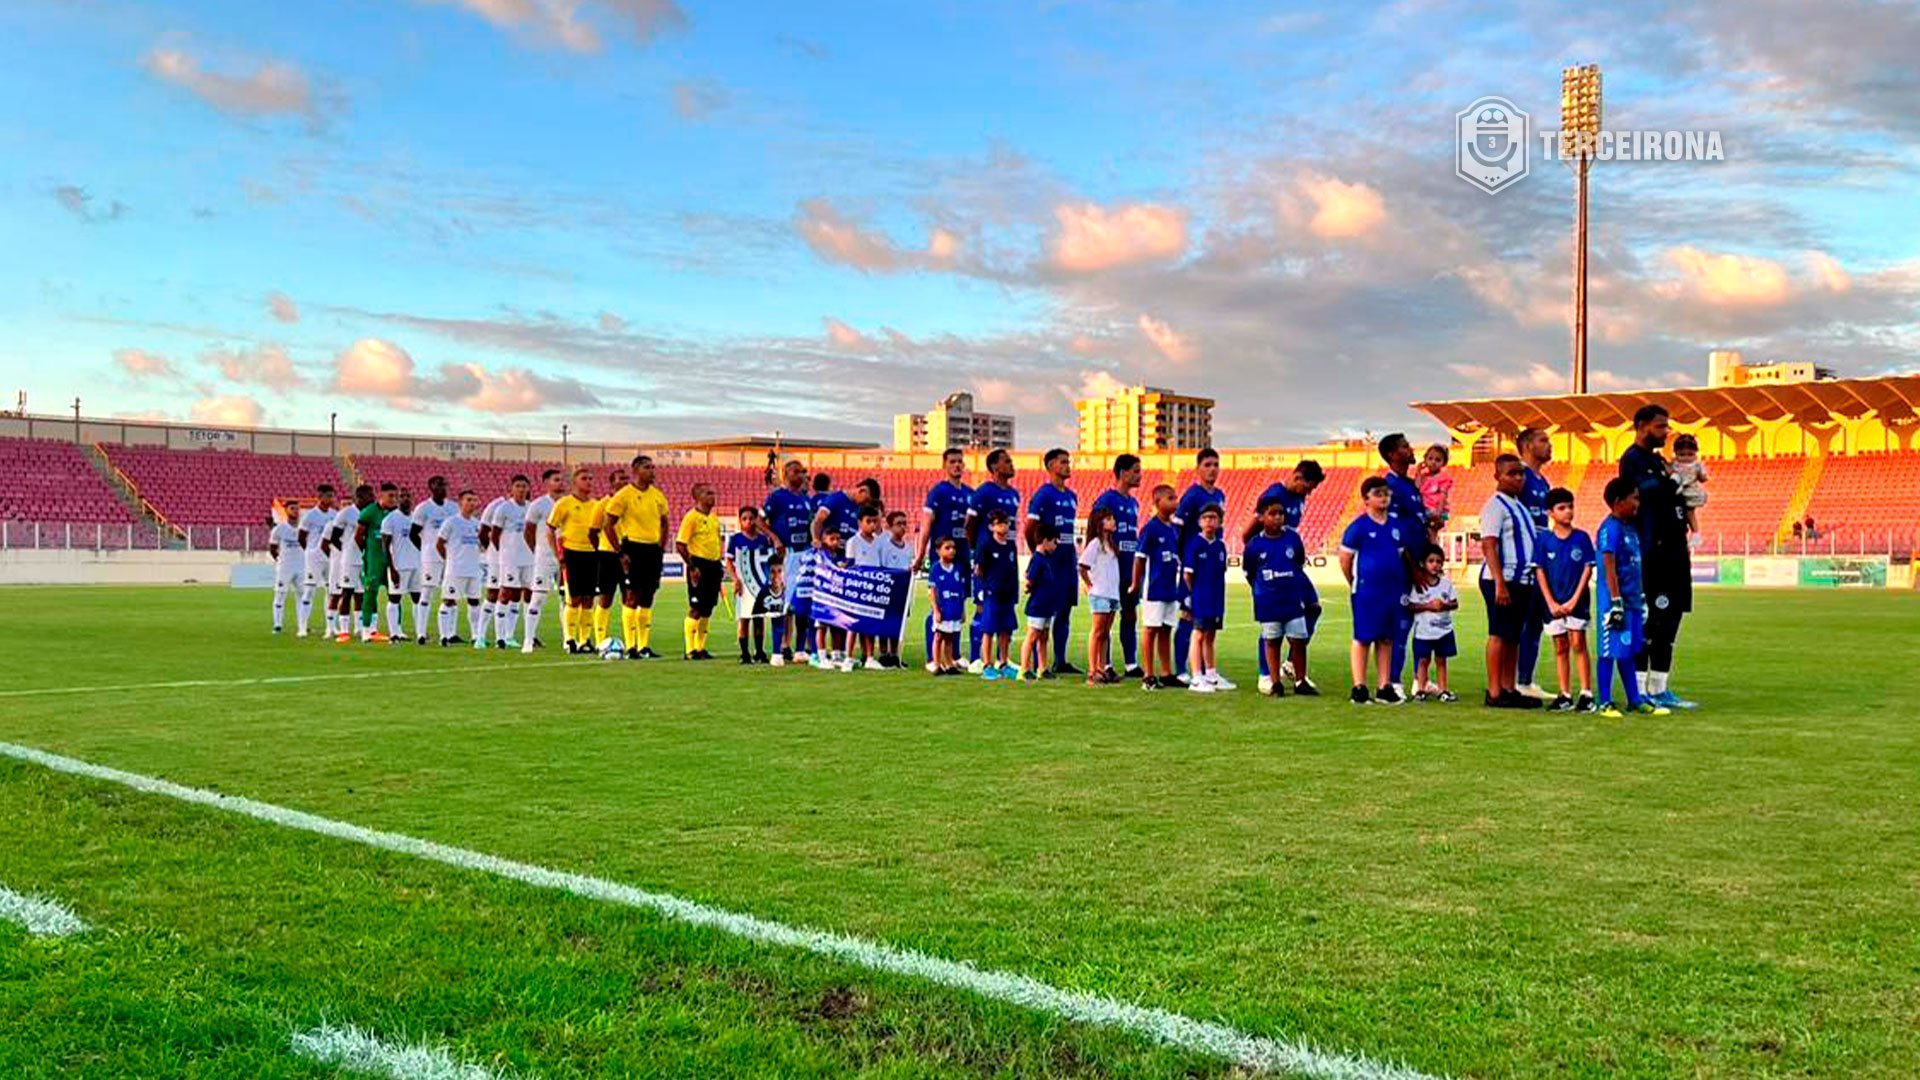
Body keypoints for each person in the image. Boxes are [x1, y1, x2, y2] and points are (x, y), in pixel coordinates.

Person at [1620, 404, 1695, 709]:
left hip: (1676, 550)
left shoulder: (1657, 460)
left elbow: (1673, 492)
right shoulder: (1633, 460)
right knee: (1653, 622)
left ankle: (1659, 687)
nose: (1666, 432)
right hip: (1655, 551)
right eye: (1660, 426)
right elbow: (1651, 491)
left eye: (1667, 426)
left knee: (1671, 619)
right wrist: (1673, 481)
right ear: (1641, 426)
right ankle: (1639, 690)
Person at [1595, 476, 1671, 718]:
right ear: (1618, 501)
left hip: (1633, 601)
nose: (1638, 503)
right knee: (1608, 651)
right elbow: (1608, 565)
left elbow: (1634, 567)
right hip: (1614, 603)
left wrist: (1640, 598)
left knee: (1629, 651)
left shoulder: (1630, 528)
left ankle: (1634, 700)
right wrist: (1615, 601)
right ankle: (1604, 702)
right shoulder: (1610, 528)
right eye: (1634, 498)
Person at [1247, 460, 1326, 693]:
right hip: (1270, 563)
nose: (1308, 493)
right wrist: (1262, 558)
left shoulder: (1299, 498)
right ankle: (1266, 675)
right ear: (1297, 478)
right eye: (1308, 487)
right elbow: (1247, 531)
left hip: (1290, 564)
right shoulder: (1275, 494)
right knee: (1271, 621)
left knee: (1312, 607)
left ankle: (1292, 663)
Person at [1340, 476, 1409, 705]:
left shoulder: (1395, 525)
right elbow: (1345, 559)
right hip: (1367, 591)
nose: (1383, 498)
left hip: (1391, 590)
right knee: (1363, 637)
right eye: (1378, 493)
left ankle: (1383, 686)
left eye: (1386, 493)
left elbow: (1400, 555)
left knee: (1387, 638)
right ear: (1366, 499)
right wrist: (1354, 582)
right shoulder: (1358, 527)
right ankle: (1359, 686)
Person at [1478, 455, 1540, 709]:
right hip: (1503, 579)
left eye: (1521, 474)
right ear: (1498, 476)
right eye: (1511, 473)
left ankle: (1508, 687)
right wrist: (1499, 582)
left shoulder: (1518, 505)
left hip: (1522, 580)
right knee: (1499, 634)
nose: (1518, 478)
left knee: (1513, 635)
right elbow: (1489, 544)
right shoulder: (1495, 506)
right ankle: (1494, 691)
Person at [601, 456, 672, 660]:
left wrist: (661, 546)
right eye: (647, 467)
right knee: (631, 596)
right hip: (633, 548)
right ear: (635, 470)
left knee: (648, 597)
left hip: (652, 550)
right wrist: (620, 552)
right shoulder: (624, 495)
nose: (652, 471)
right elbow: (608, 524)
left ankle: (644, 646)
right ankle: (630, 646)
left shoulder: (658, 496)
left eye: (652, 467)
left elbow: (665, 523)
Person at [1242, 495, 1311, 698]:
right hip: (1268, 603)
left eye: (1281, 513)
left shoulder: (1292, 538)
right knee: (1272, 641)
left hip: (1292, 600)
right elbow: (1250, 573)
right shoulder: (1254, 545)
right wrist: (1262, 590)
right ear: (1262, 517)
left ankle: (1300, 680)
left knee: (1298, 640)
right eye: (1272, 514)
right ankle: (1275, 682)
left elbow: (1299, 563)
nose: (1278, 517)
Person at [1535, 486, 1595, 713]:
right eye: (1562, 508)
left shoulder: (1581, 538)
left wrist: (1573, 601)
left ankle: (1586, 693)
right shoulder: (1544, 540)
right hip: (1552, 604)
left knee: (1578, 643)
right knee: (1560, 646)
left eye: (1570, 507)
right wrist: (1551, 602)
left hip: (1576, 603)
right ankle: (1565, 694)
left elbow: (1587, 570)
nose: (1568, 512)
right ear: (1550, 512)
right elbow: (1540, 571)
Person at [1377, 434, 1428, 690]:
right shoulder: (1390, 486)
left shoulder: (1409, 484)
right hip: (1402, 569)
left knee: (1421, 622)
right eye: (1405, 446)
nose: (1411, 449)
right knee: (1398, 624)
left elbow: (1413, 525)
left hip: (1418, 562)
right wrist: (1414, 568)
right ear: (1391, 455)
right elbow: (1397, 534)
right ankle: (1392, 681)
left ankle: (1420, 680)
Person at [964, 450, 1022, 672]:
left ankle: (1002, 659)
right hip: (988, 561)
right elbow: (970, 523)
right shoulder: (984, 492)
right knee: (982, 610)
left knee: (1005, 614)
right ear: (995, 467)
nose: (1011, 464)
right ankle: (976, 658)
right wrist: (977, 550)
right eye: (1007, 461)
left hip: (1006, 561)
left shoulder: (1014, 494)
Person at [915, 449, 972, 670]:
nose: (957, 465)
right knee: (937, 605)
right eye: (952, 462)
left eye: (960, 461)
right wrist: (920, 554)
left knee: (957, 605)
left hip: (962, 557)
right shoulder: (938, 492)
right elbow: (927, 523)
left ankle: (953, 656)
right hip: (941, 558)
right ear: (944, 465)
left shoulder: (969, 493)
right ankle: (933, 658)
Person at [1172, 448, 1225, 683]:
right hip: (1192, 567)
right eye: (1207, 464)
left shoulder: (1220, 495)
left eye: (1215, 464)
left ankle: (1207, 672)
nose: (1212, 469)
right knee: (1188, 616)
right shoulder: (1192, 496)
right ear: (1198, 469)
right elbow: (1177, 529)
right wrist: (1182, 560)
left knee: (1209, 622)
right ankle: (1182, 669)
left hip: (1211, 572)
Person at [1025, 448, 1080, 675]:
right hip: (1052, 564)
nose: (1068, 465)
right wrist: (1038, 553)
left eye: (1069, 461)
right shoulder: (1043, 495)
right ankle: (1039, 664)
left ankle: (1061, 660)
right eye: (1063, 462)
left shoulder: (1071, 496)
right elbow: (1030, 528)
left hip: (1068, 562)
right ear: (1050, 466)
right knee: (1048, 613)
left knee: (1065, 612)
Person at [1091, 454, 1144, 678]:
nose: (1139, 475)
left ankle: (1131, 663)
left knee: (1130, 615)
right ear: (1123, 473)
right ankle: (1107, 663)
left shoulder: (1133, 503)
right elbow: (1094, 529)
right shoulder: (1107, 500)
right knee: (1107, 619)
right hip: (1110, 571)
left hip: (1129, 570)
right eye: (1135, 470)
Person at [762, 460, 817, 666]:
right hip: (786, 556)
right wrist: (775, 539)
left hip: (804, 556)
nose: (801, 475)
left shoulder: (805, 499)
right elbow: (760, 520)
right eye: (797, 471)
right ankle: (777, 651)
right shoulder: (777, 497)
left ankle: (800, 649)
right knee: (780, 604)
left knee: (802, 605)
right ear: (786, 474)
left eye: (803, 472)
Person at [1513, 428, 1555, 698]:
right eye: (1543, 440)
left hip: (1539, 559)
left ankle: (1526, 679)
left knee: (1536, 622)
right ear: (1527, 445)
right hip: (1523, 563)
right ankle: (1516, 680)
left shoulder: (1544, 482)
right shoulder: (1520, 478)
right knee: (1522, 622)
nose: (1549, 445)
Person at [546, 468, 602, 654]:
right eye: (584, 478)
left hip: (592, 554)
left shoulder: (597, 505)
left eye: (590, 478)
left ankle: (584, 640)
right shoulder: (564, 504)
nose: (589, 481)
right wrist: (558, 555)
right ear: (574, 483)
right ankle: (570, 639)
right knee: (573, 599)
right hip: (572, 554)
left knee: (588, 599)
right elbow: (550, 530)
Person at [1132, 484, 1181, 691]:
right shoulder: (1150, 528)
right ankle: (1148, 674)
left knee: (1166, 629)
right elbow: (1140, 558)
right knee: (1151, 629)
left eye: (1175, 497)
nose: (1175, 501)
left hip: (1171, 587)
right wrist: (1135, 583)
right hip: (1154, 588)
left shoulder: (1173, 529)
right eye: (1170, 498)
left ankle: (1166, 672)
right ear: (1158, 501)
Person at [1182, 504, 1232, 693]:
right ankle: (1196, 677)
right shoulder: (1194, 544)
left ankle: (1211, 675)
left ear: (1220, 522)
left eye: (1213, 517)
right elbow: (1188, 575)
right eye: (1206, 518)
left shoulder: (1220, 546)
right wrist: (1193, 595)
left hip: (1216, 597)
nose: (1209, 521)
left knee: (1211, 635)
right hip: (1200, 597)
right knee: (1198, 634)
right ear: (1199, 522)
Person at [482, 475, 534, 650]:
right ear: (511, 489)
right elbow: (494, 535)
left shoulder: (530, 508)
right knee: (504, 594)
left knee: (523, 595)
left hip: (528, 559)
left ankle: (514, 635)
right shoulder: (503, 508)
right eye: (518, 486)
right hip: (510, 559)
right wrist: (504, 553)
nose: (521, 489)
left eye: (524, 486)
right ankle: (500, 638)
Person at [676, 482, 723, 661]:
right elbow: (680, 544)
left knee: (707, 608)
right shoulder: (691, 518)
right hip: (699, 565)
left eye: (713, 493)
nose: (713, 496)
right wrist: (692, 566)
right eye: (708, 493)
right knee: (696, 607)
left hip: (713, 565)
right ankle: (690, 650)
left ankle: (700, 647)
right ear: (697, 497)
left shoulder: (713, 518)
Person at [1406, 544, 1459, 702]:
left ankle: (1443, 689)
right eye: (1431, 561)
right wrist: (1428, 606)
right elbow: (1411, 606)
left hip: (1443, 630)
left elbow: (1455, 603)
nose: (1435, 565)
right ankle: (1421, 689)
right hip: (1424, 631)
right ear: (1423, 563)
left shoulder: (1446, 584)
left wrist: (1444, 605)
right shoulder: (1418, 586)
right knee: (1423, 660)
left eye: (1438, 561)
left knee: (1441, 660)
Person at [725, 504, 776, 665]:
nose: (748, 521)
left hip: (760, 585)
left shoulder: (763, 540)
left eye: (751, 518)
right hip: (744, 584)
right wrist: (735, 579)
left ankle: (759, 652)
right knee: (744, 619)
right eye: (744, 519)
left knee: (759, 619)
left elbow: (770, 562)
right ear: (740, 521)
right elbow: (729, 561)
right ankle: (744, 653)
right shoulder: (736, 539)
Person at [1077, 506, 1122, 686]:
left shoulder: (1110, 544)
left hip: (1112, 593)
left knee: (1105, 633)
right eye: (1109, 519)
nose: (1113, 522)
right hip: (1101, 593)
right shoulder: (1095, 543)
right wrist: (1089, 584)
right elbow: (1082, 566)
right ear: (1100, 523)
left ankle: (1102, 667)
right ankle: (1092, 669)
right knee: (1097, 632)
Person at [409, 475, 457, 644]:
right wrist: (425, 549)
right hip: (431, 558)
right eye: (438, 485)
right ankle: (421, 633)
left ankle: (451, 633)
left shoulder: (453, 507)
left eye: (444, 484)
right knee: (427, 593)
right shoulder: (423, 508)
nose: (442, 487)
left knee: (452, 593)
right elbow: (413, 533)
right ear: (431, 487)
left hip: (450, 557)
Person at [974, 509, 1020, 680]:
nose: (1004, 526)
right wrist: (981, 592)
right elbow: (978, 570)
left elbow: (1014, 570)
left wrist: (1014, 593)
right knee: (988, 630)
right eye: (999, 523)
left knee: (1006, 631)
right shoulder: (986, 545)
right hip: (992, 594)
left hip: (1007, 595)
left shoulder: (1011, 546)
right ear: (991, 527)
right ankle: (987, 664)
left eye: (1006, 523)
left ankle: (1003, 662)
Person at [435, 490, 485, 646]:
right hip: (456, 569)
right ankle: (444, 636)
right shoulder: (451, 522)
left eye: (474, 500)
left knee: (475, 601)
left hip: (473, 570)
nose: (472, 503)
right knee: (448, 601)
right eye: (468, 500)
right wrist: (450, 560)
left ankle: (476, 636)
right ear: (460, 503)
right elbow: (439, 544)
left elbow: (482, 545)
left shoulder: (477, 524)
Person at [521, 469, 564, 653]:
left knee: (566, 599)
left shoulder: (567, 503)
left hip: (564, 558)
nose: (560, 483)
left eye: (561, 480)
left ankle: (568, 640)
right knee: (538, 597)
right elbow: (528, 531)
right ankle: (528, 640)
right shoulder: (538, 505)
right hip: (544, 558)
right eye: (556, 480)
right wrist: (538, 551)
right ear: (546, 482)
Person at [327, 484, 373, 642]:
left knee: (361, 594)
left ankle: (359, 628)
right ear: (359, 497)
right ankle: (344, 631)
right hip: (349, 560)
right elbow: (334, 538)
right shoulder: (346, 513)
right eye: (369, 495)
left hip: (366, 559)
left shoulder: (371, 513)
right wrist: (347, 550)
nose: (372, 498)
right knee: (346, 593)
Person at [1018, 522, 1059, 682]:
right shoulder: (1037, 559)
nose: (1055, 546)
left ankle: (1043, 668)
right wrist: (1029, 588)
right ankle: (1024, 668)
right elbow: (1029, 579)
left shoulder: (1046, 559)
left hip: (1047, 605)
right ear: (1045, 541)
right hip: (1038, 605)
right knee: (1032, 636)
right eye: (1054, 542)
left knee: (1044, 637)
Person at [295, 484, 337, 638]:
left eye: (332, 496)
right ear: (320, 497)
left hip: (331, 556)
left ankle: (331, 627)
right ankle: (302, 627)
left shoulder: (335, 514)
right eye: (328, 496)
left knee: (331, 591)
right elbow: (301, 537)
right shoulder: (310, 515)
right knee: (309, 591)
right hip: (314, 557)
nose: (331, 499)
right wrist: (311, 552)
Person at [379, 487, 420, 643]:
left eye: (407, 496)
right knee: (394, 599)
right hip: (399, 566)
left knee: (418, 598)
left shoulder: (416, 518)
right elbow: (385, 546)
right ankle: (394, 633)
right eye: (401, 496)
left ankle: (420, 632)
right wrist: (392, 568)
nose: (405, 498)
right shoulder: (390, 519)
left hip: (416, 565)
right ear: (397, 499)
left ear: (412, 498)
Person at [846, 506, 885, 669]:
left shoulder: (879, 542)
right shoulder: (853, 542)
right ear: (859, 522)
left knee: (870, 624)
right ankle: (848, 657)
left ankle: (869, 657)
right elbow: (849, 566)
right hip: (858, 588)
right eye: (868, 521)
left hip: (873, 589)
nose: (872, 525)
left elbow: (881, 565)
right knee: (853, 624)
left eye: (874, 521)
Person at [876, 509, 915, 667]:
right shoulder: (884, 546)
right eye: (899, 524)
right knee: (885, 622)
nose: (902, 527)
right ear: (890, 527)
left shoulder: (908, 547)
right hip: (888, 590)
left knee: (898, 623)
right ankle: (884, 653)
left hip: (903, 591)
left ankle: (895, 653)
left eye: (904, 523)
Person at [927, 537, 968, 676]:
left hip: (955, 608)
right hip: (943, 608)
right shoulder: (935, 569)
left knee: (950, 637)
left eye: (953, 548)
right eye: (947, 548)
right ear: (938, 551)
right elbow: (932, 592)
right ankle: (937, 664)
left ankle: (949, 663)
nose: (952, 551)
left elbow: (961, 591)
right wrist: (935, 610)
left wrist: (963, 610)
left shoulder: (958, 568)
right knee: (939, 636)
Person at [813, 528, 852, 670]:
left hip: (837, 597)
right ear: (824, 540)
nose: (836, 542)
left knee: (837, 626)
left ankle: (836, 655)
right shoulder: (820, 554)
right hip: (823, 596)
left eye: (838, 539)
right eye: (832, 539)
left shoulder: (842, 555)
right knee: (822, 627)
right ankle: (822, 657)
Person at [268, 502, 302, 634]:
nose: (295, 511)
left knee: (302, 595)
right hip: (285, 568)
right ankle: (277, 625)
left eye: (297, 509)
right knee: (280, 594)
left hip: (302, 567)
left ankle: (302, 624)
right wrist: (279, 560)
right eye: (292, 508)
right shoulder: (279, 529)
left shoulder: (304, 528)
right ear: (286, 511)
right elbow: (272, 548)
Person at [1670, 433, 1708, 534]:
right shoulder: (1674, 464)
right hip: (1677, 494)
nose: (1686, 458)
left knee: (1690, 512)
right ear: (1675, 453)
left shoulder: (1696, 465)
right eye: (1682, 455)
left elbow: (1703, 478)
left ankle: (1695, 532)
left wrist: (1702, 475)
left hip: (1690, 491)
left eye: (1690, 454)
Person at [1417, 444, 1453, 539]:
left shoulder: (1443, 478)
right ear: (1425, 459)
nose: (1433, 462)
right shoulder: (1424, 477)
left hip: (1436, 510)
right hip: (1425, 509)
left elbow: (1443, 496)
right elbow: (1416, 488)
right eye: (1430, 458)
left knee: (1431, 534)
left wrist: (1438, 513)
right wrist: (1418, 472)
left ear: (1444, 463)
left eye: (1438, 460)